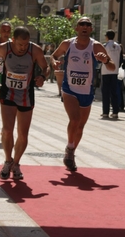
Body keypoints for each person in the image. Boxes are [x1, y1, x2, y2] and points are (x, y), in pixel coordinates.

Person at [50, 17, 115, 172]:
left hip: (87, 91)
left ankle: (71, 150)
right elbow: (54, 56)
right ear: (76, 28)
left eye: (88, 24)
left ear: (91, 29)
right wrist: (54, 63)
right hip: (69, 88)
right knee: (75, 119)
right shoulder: (67, 44)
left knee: (80, 126)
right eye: (82, 24)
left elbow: (112, 66)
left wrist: (105, 61)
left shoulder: (96, 46)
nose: (85, 27)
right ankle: (70, 150)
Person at [0, 26, 49, 180]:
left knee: (23, 134)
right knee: (7, 130)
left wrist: (42, 76)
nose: (23, 48)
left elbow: (45, 67)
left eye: (26, 44)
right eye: (20, 44)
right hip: (8, 93)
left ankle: (16, 163)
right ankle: (8, 161)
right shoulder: (4, 48)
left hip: (26, 95)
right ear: (13, 40)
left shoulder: (34, 50)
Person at [101, 29, 122, 118]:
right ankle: (115, 112)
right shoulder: (118, 46)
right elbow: (120, 58)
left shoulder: (105, 46)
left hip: (106, 71)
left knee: (105, 92)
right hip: (115, 71)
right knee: (114, 92)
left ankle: (105, 112)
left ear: (106, 37)